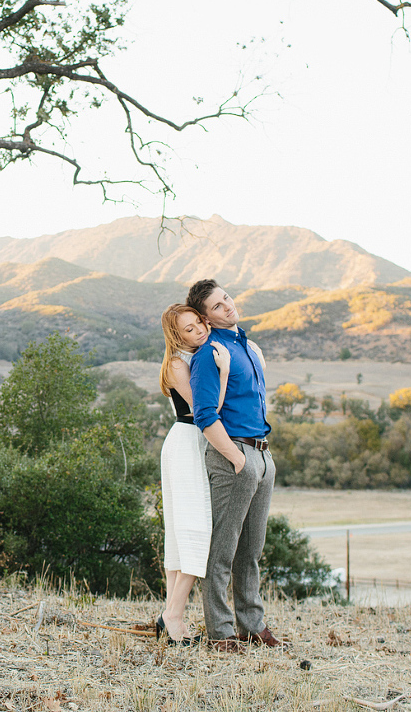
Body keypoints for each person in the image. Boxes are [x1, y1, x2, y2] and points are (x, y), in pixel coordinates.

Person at [185, 278, 286, 650]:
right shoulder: (209, 354)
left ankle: (252, 624)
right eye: (216, 306)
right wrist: (238, 459)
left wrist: (260, 459)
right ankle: (221, 632)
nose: (227, 306)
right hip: (234, 457)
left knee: (252, 548)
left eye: (226, 298)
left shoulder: (247, 347)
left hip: (263, 453)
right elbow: (205, 415)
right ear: (205, 317)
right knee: (223, 548)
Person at [156, 304, 229, 644]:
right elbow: (207, 409)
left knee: (181, 533)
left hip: (192, 444)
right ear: (176, 335)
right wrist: (225, 373)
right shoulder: (176, 364)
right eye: (188, 328)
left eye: (199, 322)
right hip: (186, 443)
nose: (199, 329)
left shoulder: (197, 355)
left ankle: (171, 616)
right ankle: (173, 614)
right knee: (195, 529)